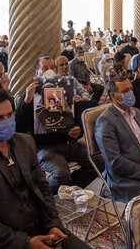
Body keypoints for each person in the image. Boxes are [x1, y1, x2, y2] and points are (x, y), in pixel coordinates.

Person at [0, 89, 89, 249]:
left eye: (10, 115)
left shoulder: (25, 142)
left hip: (39, 227)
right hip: (3, 240)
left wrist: (53, 224)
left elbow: (42, 187)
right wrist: (25, 243)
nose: (7, 121)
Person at [15, 56, 98, 192]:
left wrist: (79, 130)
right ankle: (48, 196)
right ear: (37, 73)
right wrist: (27, 102)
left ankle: (69, 189)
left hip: (69, 144)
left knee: (99, 162)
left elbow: (76, 116)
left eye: (52, 68)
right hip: (46, 148)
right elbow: (19, 128)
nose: (50, 71)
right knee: (61, 174)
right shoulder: (29, 96)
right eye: (45, 68)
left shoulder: (64, 91)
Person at [55, 56, 98, 128]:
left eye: (66, 64)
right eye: (62, 65)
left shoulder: (72, 79)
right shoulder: (55, 81)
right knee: (93, 104)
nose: (65, 67)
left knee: (93, 106)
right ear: (56, 68)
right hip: (65, 106)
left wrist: (84, 97)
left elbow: (83, 91)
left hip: (77, 102)